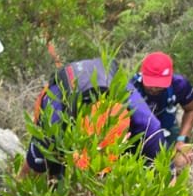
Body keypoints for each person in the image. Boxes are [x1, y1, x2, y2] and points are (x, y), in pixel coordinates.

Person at [22, 58, 168, 179]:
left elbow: (167, 180)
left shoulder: (149, 128)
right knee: (53, 171)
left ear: (127, 136)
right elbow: (28, 176)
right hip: (63, 102)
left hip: (111, 88)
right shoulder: (53, 126)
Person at [131, 51, 193, 172]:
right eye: (151, 83)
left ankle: (173, 181)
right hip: (138, 131)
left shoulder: (179, 85)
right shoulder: (132, 86)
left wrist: (182, 140)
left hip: (167, 128)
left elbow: (191, 109)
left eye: (159, 84)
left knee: (182, 160)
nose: (154, 88)